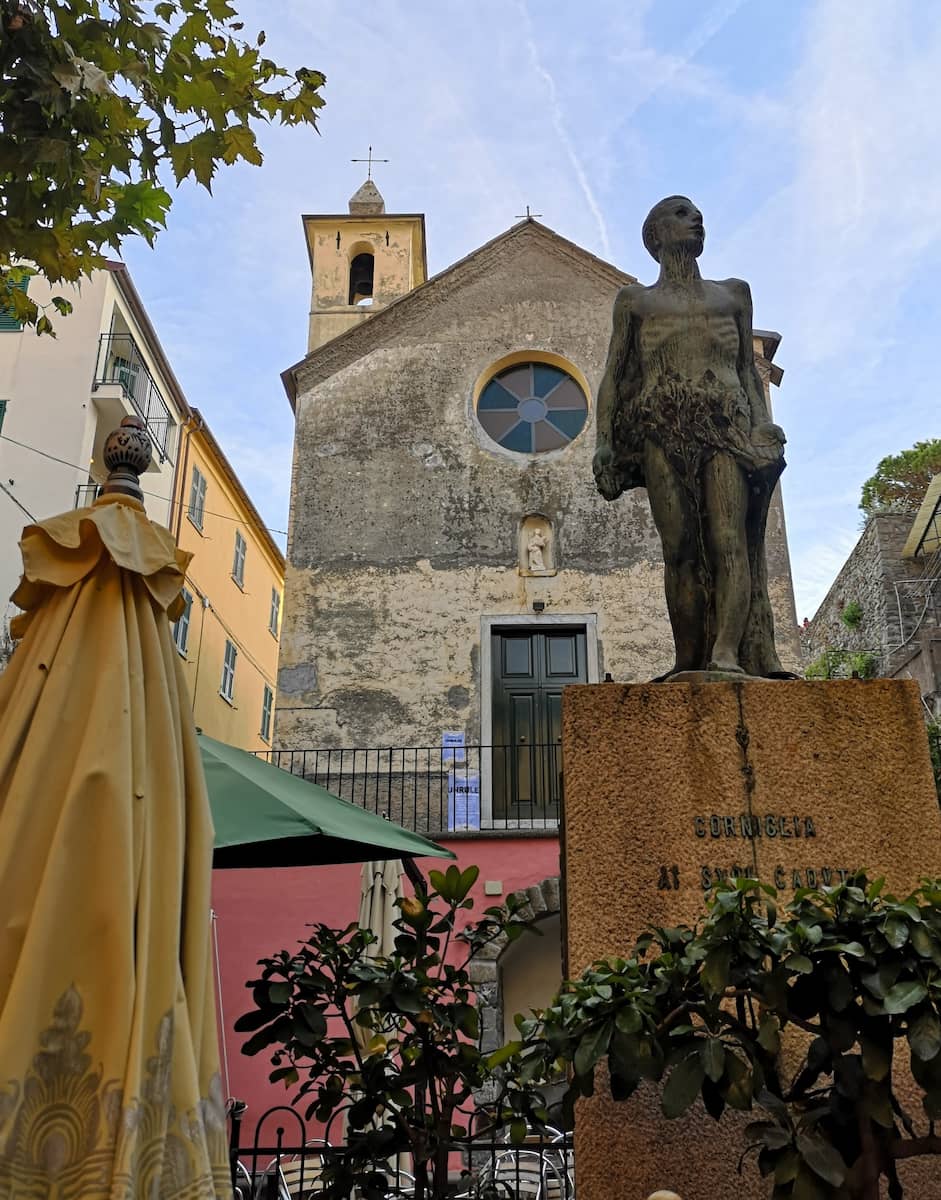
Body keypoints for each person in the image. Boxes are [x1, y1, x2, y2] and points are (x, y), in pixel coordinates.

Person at [593, 196, 789, 677]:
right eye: (680, 213)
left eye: (697, 214)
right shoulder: (635, 302)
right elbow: (614, 377)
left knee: (728, 540)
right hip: (663, 430)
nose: (695, 219)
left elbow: (747, 369)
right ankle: (688, 658)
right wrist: (604, 442)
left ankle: (726, 653)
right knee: (678, 548)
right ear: (656, 235)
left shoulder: (733, 294)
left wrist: (761, 424)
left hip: (726, 429)